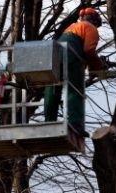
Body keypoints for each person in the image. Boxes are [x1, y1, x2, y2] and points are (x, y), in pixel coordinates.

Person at [44, 7, 106, 137]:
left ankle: (49, 122)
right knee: (75, 90)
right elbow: (88, 50)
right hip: (71, 56)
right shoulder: (90, 28)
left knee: (53, 87)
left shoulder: (72, 26)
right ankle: (75, 124)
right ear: (95, 21)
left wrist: (90, 66)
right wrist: (99, 66)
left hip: (55, 56)